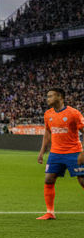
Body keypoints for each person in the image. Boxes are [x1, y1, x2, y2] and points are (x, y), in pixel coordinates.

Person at [36, 88, 84, 220]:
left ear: (60, 97)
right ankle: (50, 212)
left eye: (50, 96)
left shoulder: (73, 113)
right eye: (47, 96)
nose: (48, 99)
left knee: (82, 180)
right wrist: (42, 151)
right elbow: (47, 133)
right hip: (55, 153)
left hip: (74, 152)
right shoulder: (48, 114)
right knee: (48, 180)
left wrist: (83, 152)